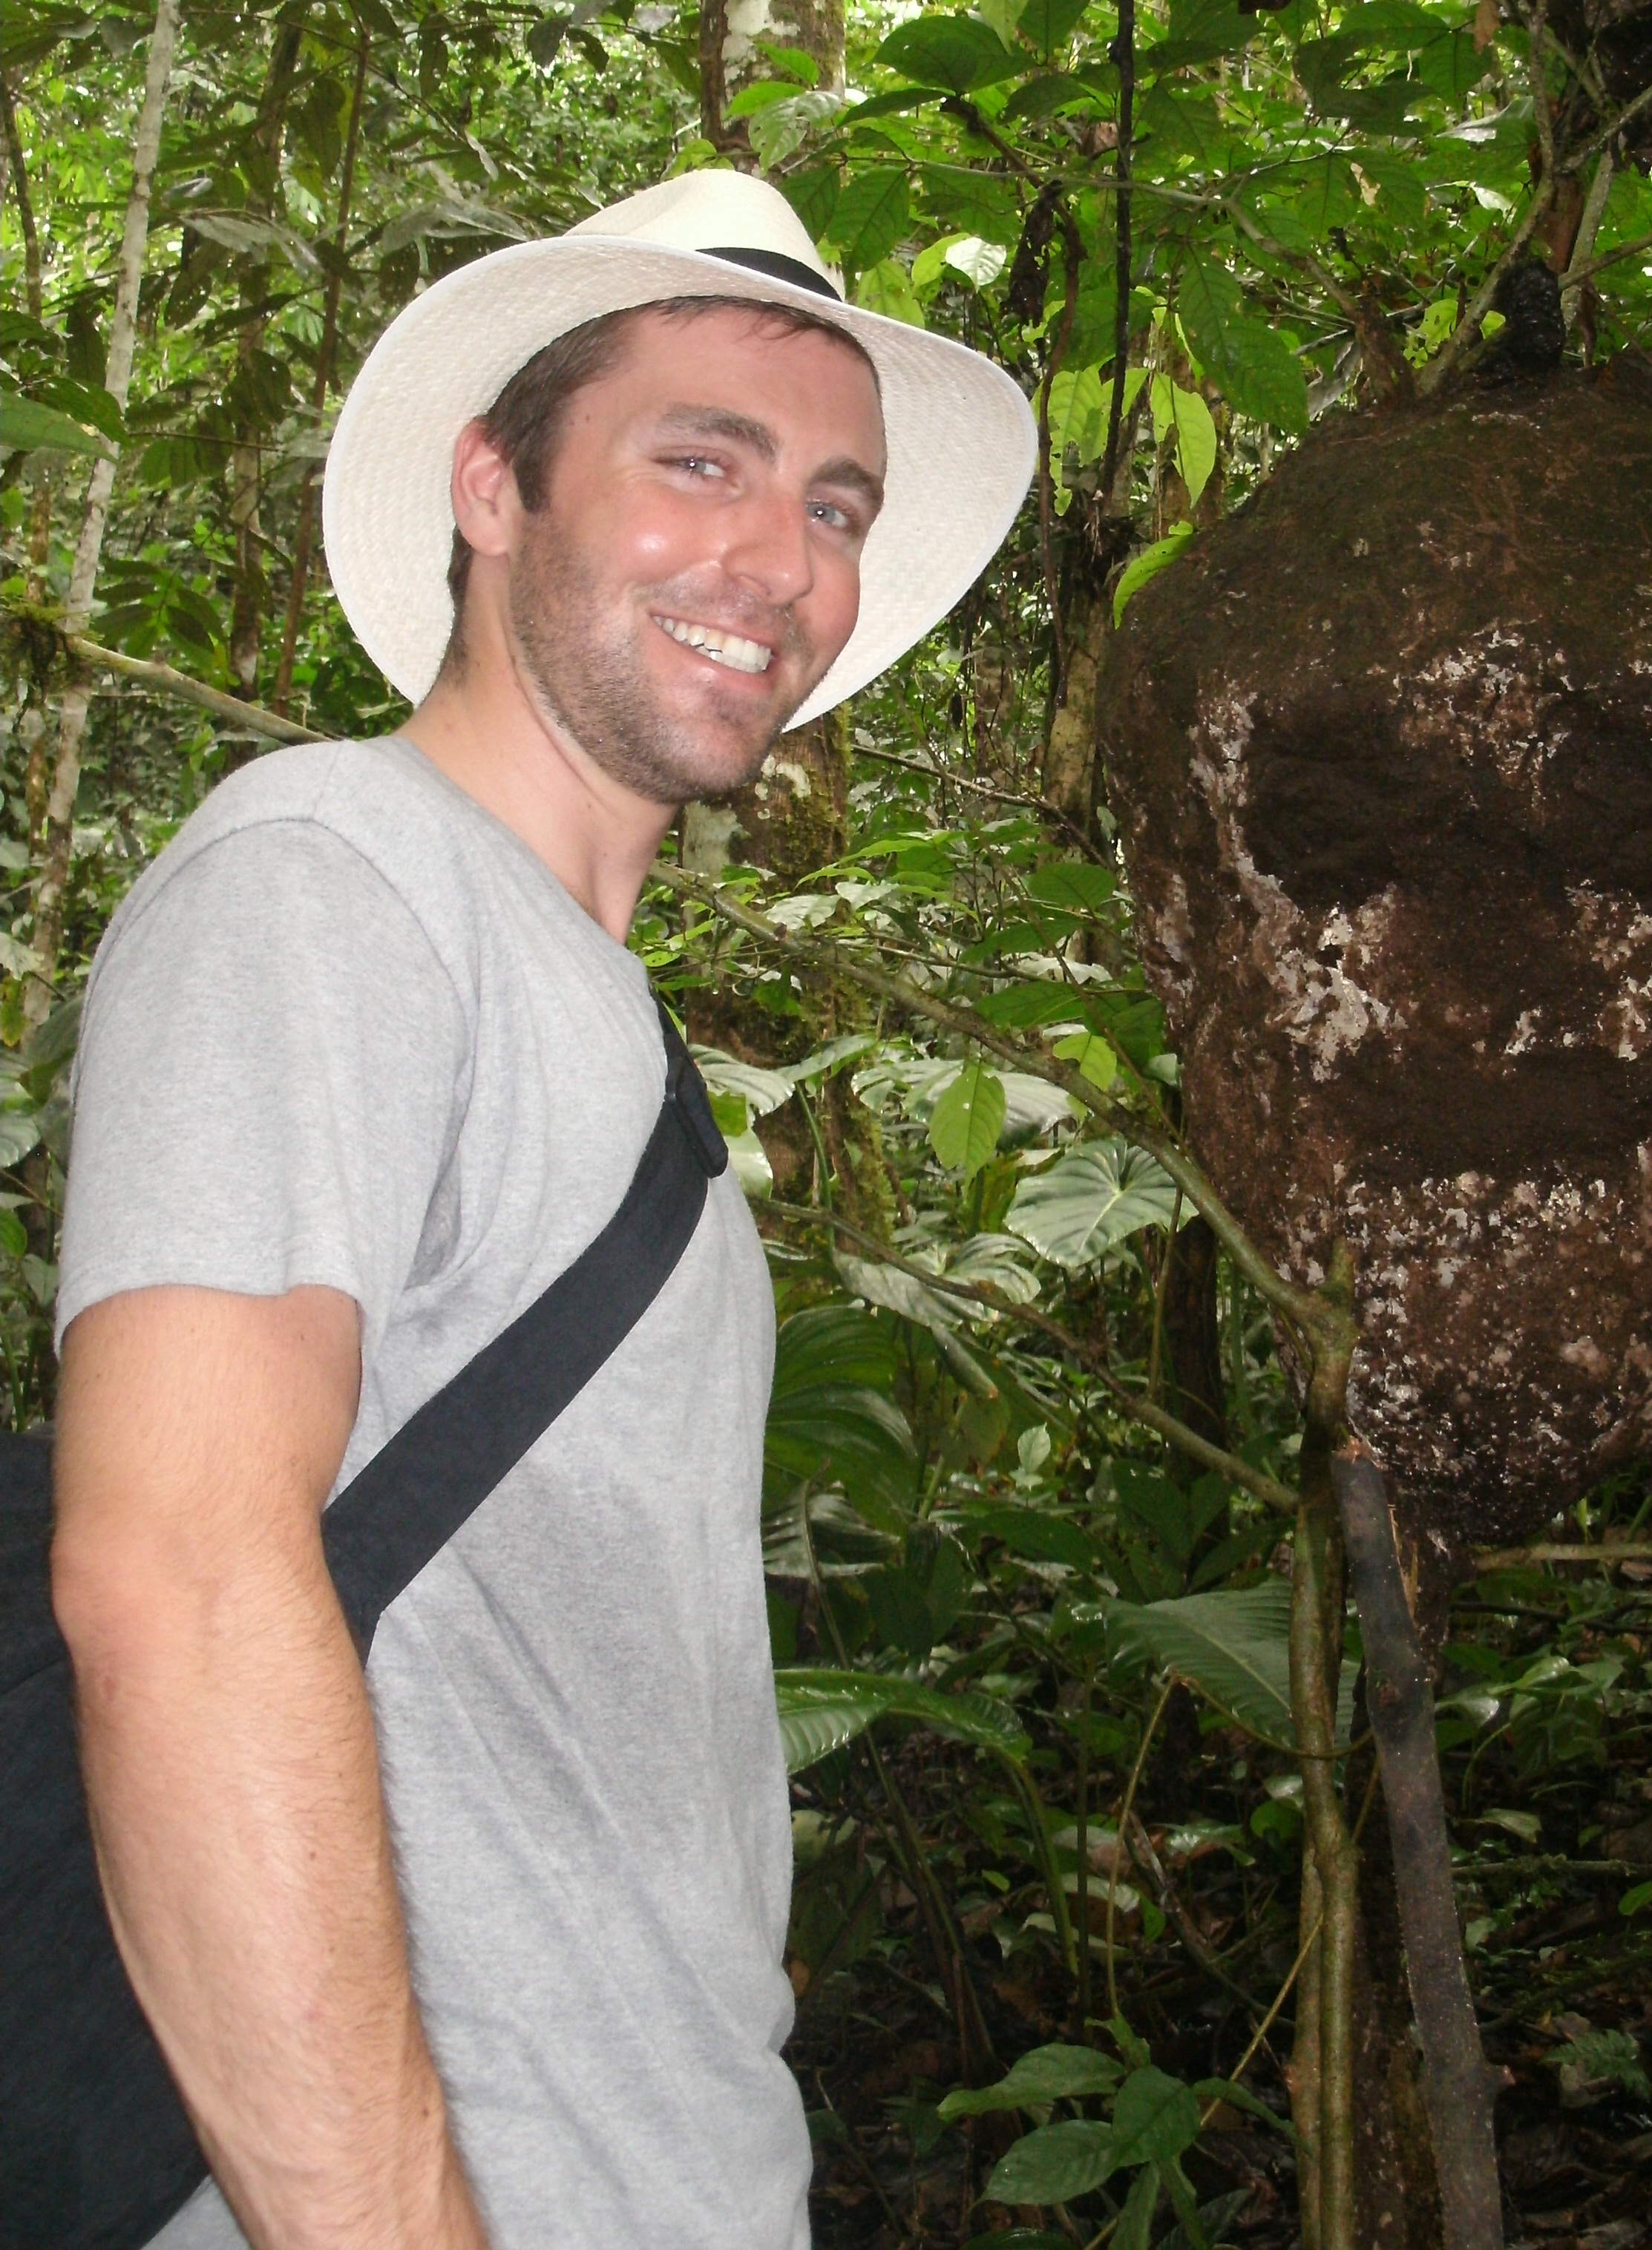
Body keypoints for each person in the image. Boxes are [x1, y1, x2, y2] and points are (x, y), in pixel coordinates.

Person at [46, 173, 1035, 2250]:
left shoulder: (571, 998)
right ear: (494, 488)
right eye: (703, 463)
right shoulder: (329, 874)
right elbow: (180, 1581)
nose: (782, 561)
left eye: (840, 507)